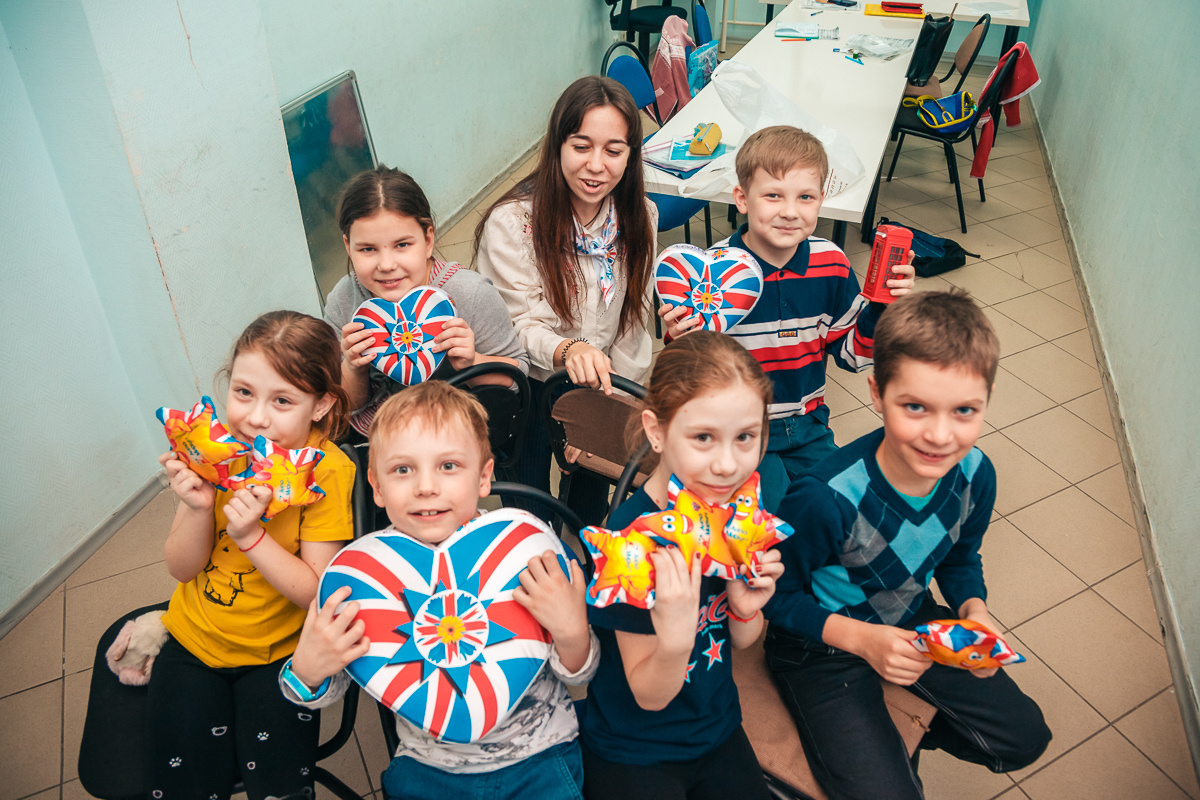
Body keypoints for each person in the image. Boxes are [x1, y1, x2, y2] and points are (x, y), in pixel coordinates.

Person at [763, 291, 1051, 800]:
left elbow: (961, 556)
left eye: (964, 410)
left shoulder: (975, 475)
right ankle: (877, 742)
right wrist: (863, 643)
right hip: (820, 649)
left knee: (1024, 738)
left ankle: (895, 721)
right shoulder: (824, 498)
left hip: (914, 625)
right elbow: (778, 600)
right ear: (877, 393)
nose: (940, 436)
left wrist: (974, 609)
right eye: (915, 407)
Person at [281, 382, 599, 800]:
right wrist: (305, 671)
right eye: (402, 469)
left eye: (448, 466)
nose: (425, 487)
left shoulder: (523, 554)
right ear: (376, 487)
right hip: (426, 773)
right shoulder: (362, 578)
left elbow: (580, 670)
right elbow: (338, 682)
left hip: (540, 761)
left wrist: (574, 634)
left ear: (484, 475)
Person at [147, 310, 356, 800]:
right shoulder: (218, 452)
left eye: (283, 400)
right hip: (193, 639)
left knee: (279, 785)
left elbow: (316, 592)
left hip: (281, 654)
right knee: (184, 782)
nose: (255, 417)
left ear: (322, 404)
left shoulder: (327, 472)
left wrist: (252, 538)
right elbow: (180, 568)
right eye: (243, 392)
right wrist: (198, 506)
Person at [661, 125, 916, 512]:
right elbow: (690, 381)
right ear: (741, 199)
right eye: (773, 195)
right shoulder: (710, 273)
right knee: (770, 528)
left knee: (841, 514)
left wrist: (883, 306)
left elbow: (853, 354)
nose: (790, 211)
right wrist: (680, 341)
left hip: (809, 428)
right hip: (738, 435)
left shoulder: (831, 263)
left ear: (821, 200)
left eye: (805, 197)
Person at [581, 332, 782, 800]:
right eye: (703, 438)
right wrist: (675, 639)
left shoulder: (738, 514)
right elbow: (648, 695)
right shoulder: (629, 543)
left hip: (715, 726)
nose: (727, 465)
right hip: (635, 746)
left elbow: (744, 639)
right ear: (656, 431)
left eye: (746, 438)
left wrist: (746, 608)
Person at [475, 76, 658, 524]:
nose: (596, 166)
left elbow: (634, 319)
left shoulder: (640, 218)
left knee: (593, 510)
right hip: (532, 385)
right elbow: (515, 323)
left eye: (613, 151)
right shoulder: (513, 224)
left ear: (630, 156)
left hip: (603, 383)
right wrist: (569, 350)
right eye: (581, 146)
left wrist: (610, 408)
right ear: (557, 144)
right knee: (532, 511)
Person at [326, 165, 529, 440]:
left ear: (428, 239)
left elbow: (517, 377)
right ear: (348, 246)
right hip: (377, 436)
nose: (387, 265)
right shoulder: (345, 299)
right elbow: (345, 404)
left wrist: (473, 361)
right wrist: (352, 366)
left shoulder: (470, 293)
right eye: (368, 249)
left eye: (402, 245)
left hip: (456, 433)